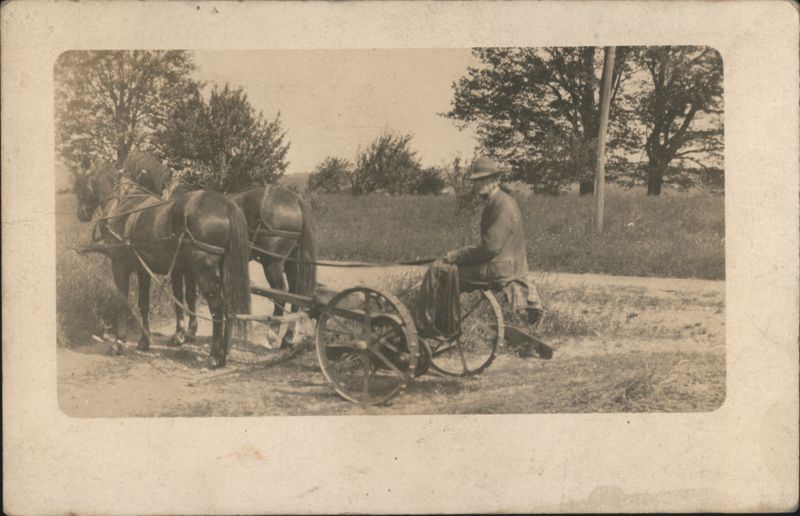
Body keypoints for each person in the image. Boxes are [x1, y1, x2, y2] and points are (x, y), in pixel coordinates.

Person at [443, 157, 544, 326]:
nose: (479, 184)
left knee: (442, 272)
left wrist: (457, 255)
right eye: (477, 180)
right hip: (505, 265)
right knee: (448, 271)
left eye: (485, 179)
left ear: (496, 180)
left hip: (499, 268)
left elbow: (490, 248)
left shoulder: (501, 204)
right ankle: (447, 322)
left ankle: (442, 325)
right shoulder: (499, 201)